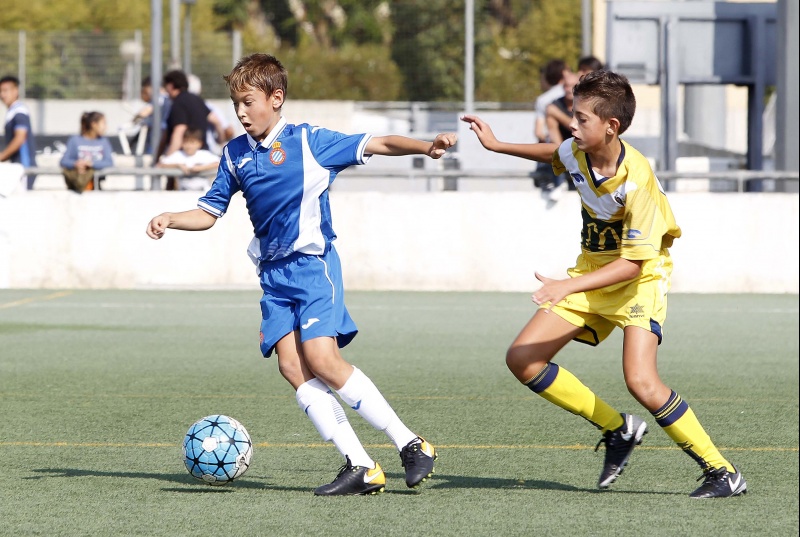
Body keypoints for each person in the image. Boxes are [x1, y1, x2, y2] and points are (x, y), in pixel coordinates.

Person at [146, 53, 456, 496]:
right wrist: (171, 217)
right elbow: (209, 212)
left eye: (247, 102)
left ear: (276, 98)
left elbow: (376, 143)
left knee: (323, 360)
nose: (240, 112)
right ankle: (362, 465)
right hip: (273, 277)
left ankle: (411, 443)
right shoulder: (234, 153)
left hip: (313, 268)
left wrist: (426, 147)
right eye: (235, 103)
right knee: (292, 366)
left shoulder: (309, 142)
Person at [460, 70, 746, 499]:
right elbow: (552, 154)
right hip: (590, 271)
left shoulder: (638, 179)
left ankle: (722, 471)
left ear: (611, 127)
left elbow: (633, 265)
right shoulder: (577, 150)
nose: (572, 126)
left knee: (641, 381)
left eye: (580, 119)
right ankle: (618, 429)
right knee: (523, 359)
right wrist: (498, 145)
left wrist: (564, 288)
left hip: (638, 280)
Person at [154, 70, 211, 190]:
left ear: (170, 85)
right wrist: (222, 139)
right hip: (201, 154)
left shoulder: (178, 103)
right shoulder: (197, 99)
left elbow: (179, 131)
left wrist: (168, 158)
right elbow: (215, 120)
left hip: (184, 156)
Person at [532, 59, 570, 200]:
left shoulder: (543, 100)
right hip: (573, 143)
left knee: (550, 146)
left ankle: (548, 179)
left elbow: (538, 132)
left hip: (559, 145)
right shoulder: (575, 91)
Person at [59, 111, 114, 193]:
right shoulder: (75, 140)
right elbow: (64, 161)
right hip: (77, 187)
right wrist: (76, 164)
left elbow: (109, 162)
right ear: (94, 124)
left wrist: (91, 164)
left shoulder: (103, 141)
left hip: (96, 187)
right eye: (103, 123)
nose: (106, 127)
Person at [0, 75, 37, 190]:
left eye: (6, 90)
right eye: (0, 91)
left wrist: (1, 156)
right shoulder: (12, 112)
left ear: (16, 91)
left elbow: (20, 138)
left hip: (24, 168)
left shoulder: (19, 111)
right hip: (17, 168)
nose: (2, 95)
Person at [156, 127, 218, 191]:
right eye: (186, 142)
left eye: (192, 142)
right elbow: (160, 164)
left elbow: (220, 163)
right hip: (183, 192)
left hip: (203, 192)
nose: (189, 146)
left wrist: (201, 168)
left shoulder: (204, 154)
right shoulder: (178, 155)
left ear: (199, 144)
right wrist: (178, 165)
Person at [187, 74, 235, 155]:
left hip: (205, 149)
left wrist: (220, 141)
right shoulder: (208, 106)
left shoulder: (207, 107)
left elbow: (226, 128)